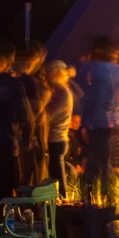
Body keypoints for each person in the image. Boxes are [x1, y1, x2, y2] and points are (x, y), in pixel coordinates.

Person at [81, 36, 119, 201]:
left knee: (96, 162)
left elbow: (89, 98)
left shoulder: (92, 69)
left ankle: (93, 199)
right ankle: (109, 197)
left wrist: (85, 123)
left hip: (97, 122)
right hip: (116, 122)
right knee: (106, 160)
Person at [0, 44, 33, 204]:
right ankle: (13, 223)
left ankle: (3, 221)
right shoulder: (13, 84)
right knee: (14, 183)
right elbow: (25, 113)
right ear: (5, 63)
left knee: (2, 186)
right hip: (11, 141)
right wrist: (28, 137)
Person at [14, 45, 50, 186]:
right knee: (31, 171)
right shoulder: (27, 81)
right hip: (30, 134)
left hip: (20, 133)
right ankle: (30, 204)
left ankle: (21, 203)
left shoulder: (19, 80)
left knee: (24, 172)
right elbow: (36, 110)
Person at [45, 60, 74, 199]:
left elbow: (48, 115)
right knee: (56, 174)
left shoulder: (62, 94)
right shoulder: (61, 92)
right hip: (58, 139)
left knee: (57, 177)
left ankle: (62, 200)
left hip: (57, 139)